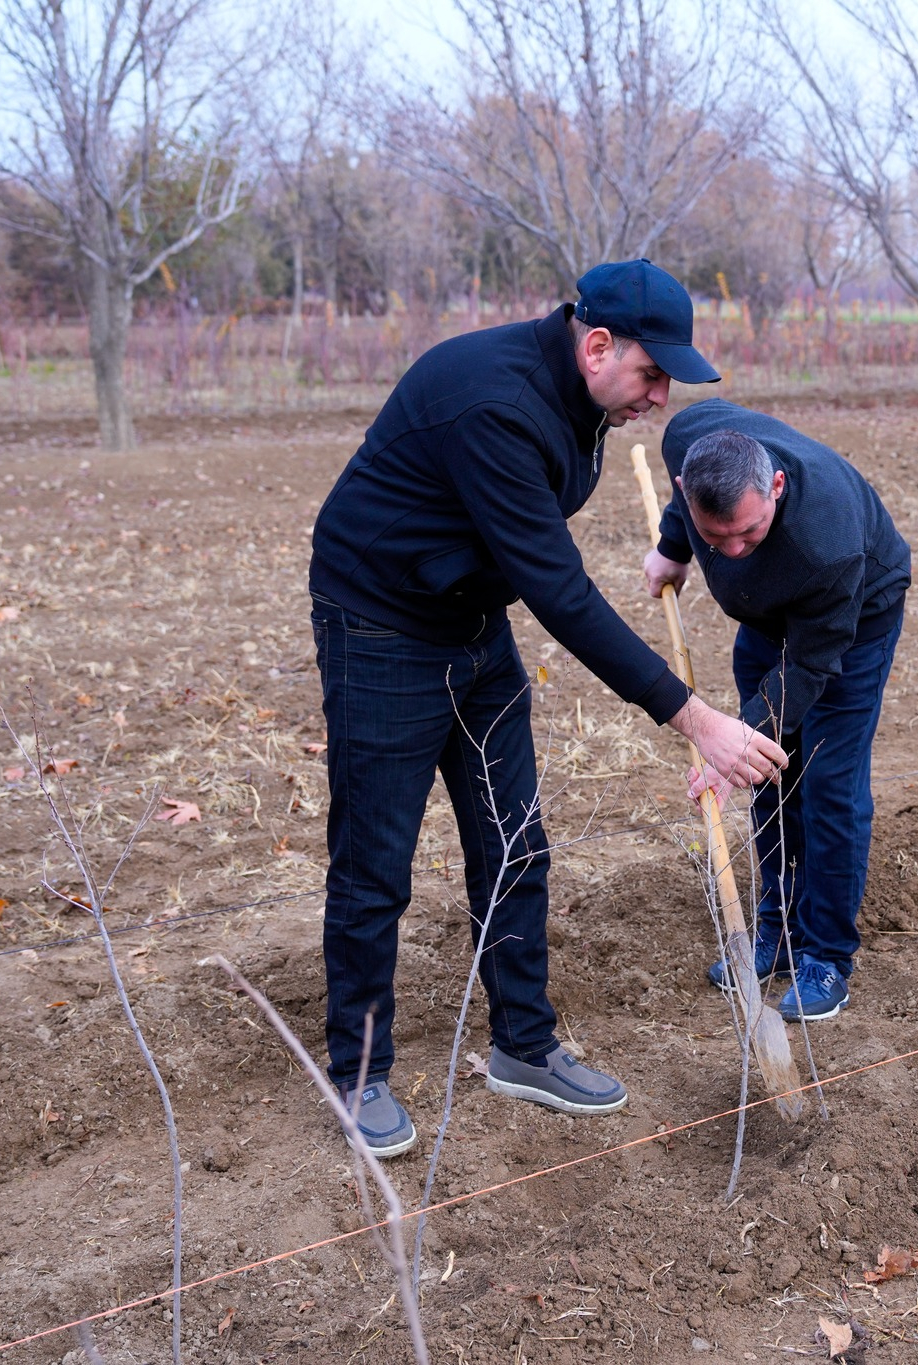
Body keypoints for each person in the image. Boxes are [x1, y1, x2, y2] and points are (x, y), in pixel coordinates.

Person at [307, 261, 788, 1157]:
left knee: (514, 838)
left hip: (470, 619)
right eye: (652, 374)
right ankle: (358, 1070)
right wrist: (696, 717)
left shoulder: (584, 398)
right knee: (376, 864)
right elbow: (561, 594)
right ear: (597, 344)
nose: (659, 396)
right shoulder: (492, 402)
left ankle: (523, 1044)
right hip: (379, 624)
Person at [642, 401, 910, 1022]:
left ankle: (825, 955)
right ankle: (777, 930)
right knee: (766, 774)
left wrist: (731, 745)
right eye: (718, 537)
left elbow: (811, 667)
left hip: (851, 621)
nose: (733, 550)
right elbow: (686, 509)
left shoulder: (829, 542)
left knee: (827, 783)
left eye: (749, 533)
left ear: (778, 488)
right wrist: (675, 547)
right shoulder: (687, 437)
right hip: (766, 615)